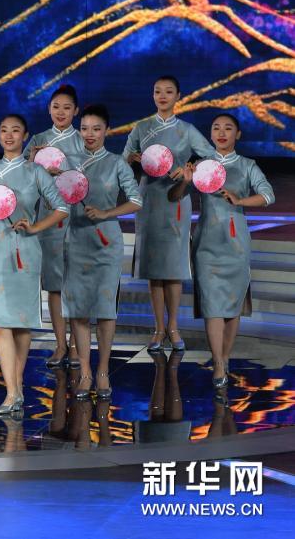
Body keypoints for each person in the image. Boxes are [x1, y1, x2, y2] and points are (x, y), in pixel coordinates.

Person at [0, 114, 68, 415]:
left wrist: (35, 227)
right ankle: (12, 392)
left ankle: (17, 386)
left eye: (15, 131)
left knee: (22, 323)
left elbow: (61, 207)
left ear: (25, 136)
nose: (8, 135)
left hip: (26, 250)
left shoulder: (36, 172)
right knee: (0, 321)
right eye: (3, 130)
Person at [169, 113, 274, 389]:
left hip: (236, 243)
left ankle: (225, 356)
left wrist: (240, 200)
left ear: (237, 134)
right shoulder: (201, 165)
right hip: (206, 243)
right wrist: (185, 181)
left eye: (228, 128)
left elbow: (268, 195)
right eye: (216, 128)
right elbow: (173, 196)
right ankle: (217, 362)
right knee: (212, 305)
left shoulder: (247, 165)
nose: (221, 133)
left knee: (231, 307)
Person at [122, 75, 213, 351]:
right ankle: (158, 328)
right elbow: (123, 159)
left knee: (173, 268)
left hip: (176, 200)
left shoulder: (186, 130)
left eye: (168, 91)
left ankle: (173, 327)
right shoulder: (142, 128)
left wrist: (189, 167)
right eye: (157, 91)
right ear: (153, 95)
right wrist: (133, 159)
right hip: (149, 199)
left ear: (178, 96)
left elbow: (210, 156)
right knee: (154, 269)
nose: (162, 96)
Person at [64, 104, 142, 399]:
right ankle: (85, 371)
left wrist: (107, 213)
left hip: (107, 243)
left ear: (107, 131)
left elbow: (136, 201)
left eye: (96, 129)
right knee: (80, 310)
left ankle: (103, 370)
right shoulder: (68, 162)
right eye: (84, 128)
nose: (90, 134)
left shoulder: (117, 163)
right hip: (76, 241)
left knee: (106, 310)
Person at [24, 84, 86, 368]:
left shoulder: (83, 139)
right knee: (54, 284)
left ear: (76, 111)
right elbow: (23, 177)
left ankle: (76, 345)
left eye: (67, 108)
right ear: (49, 109)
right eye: (56, 107)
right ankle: (60, 344)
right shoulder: (39, 140)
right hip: (49, 218)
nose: (61, 112)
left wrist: (68, 173)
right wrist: (33, 164)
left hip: (78, 217)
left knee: (76, 283)